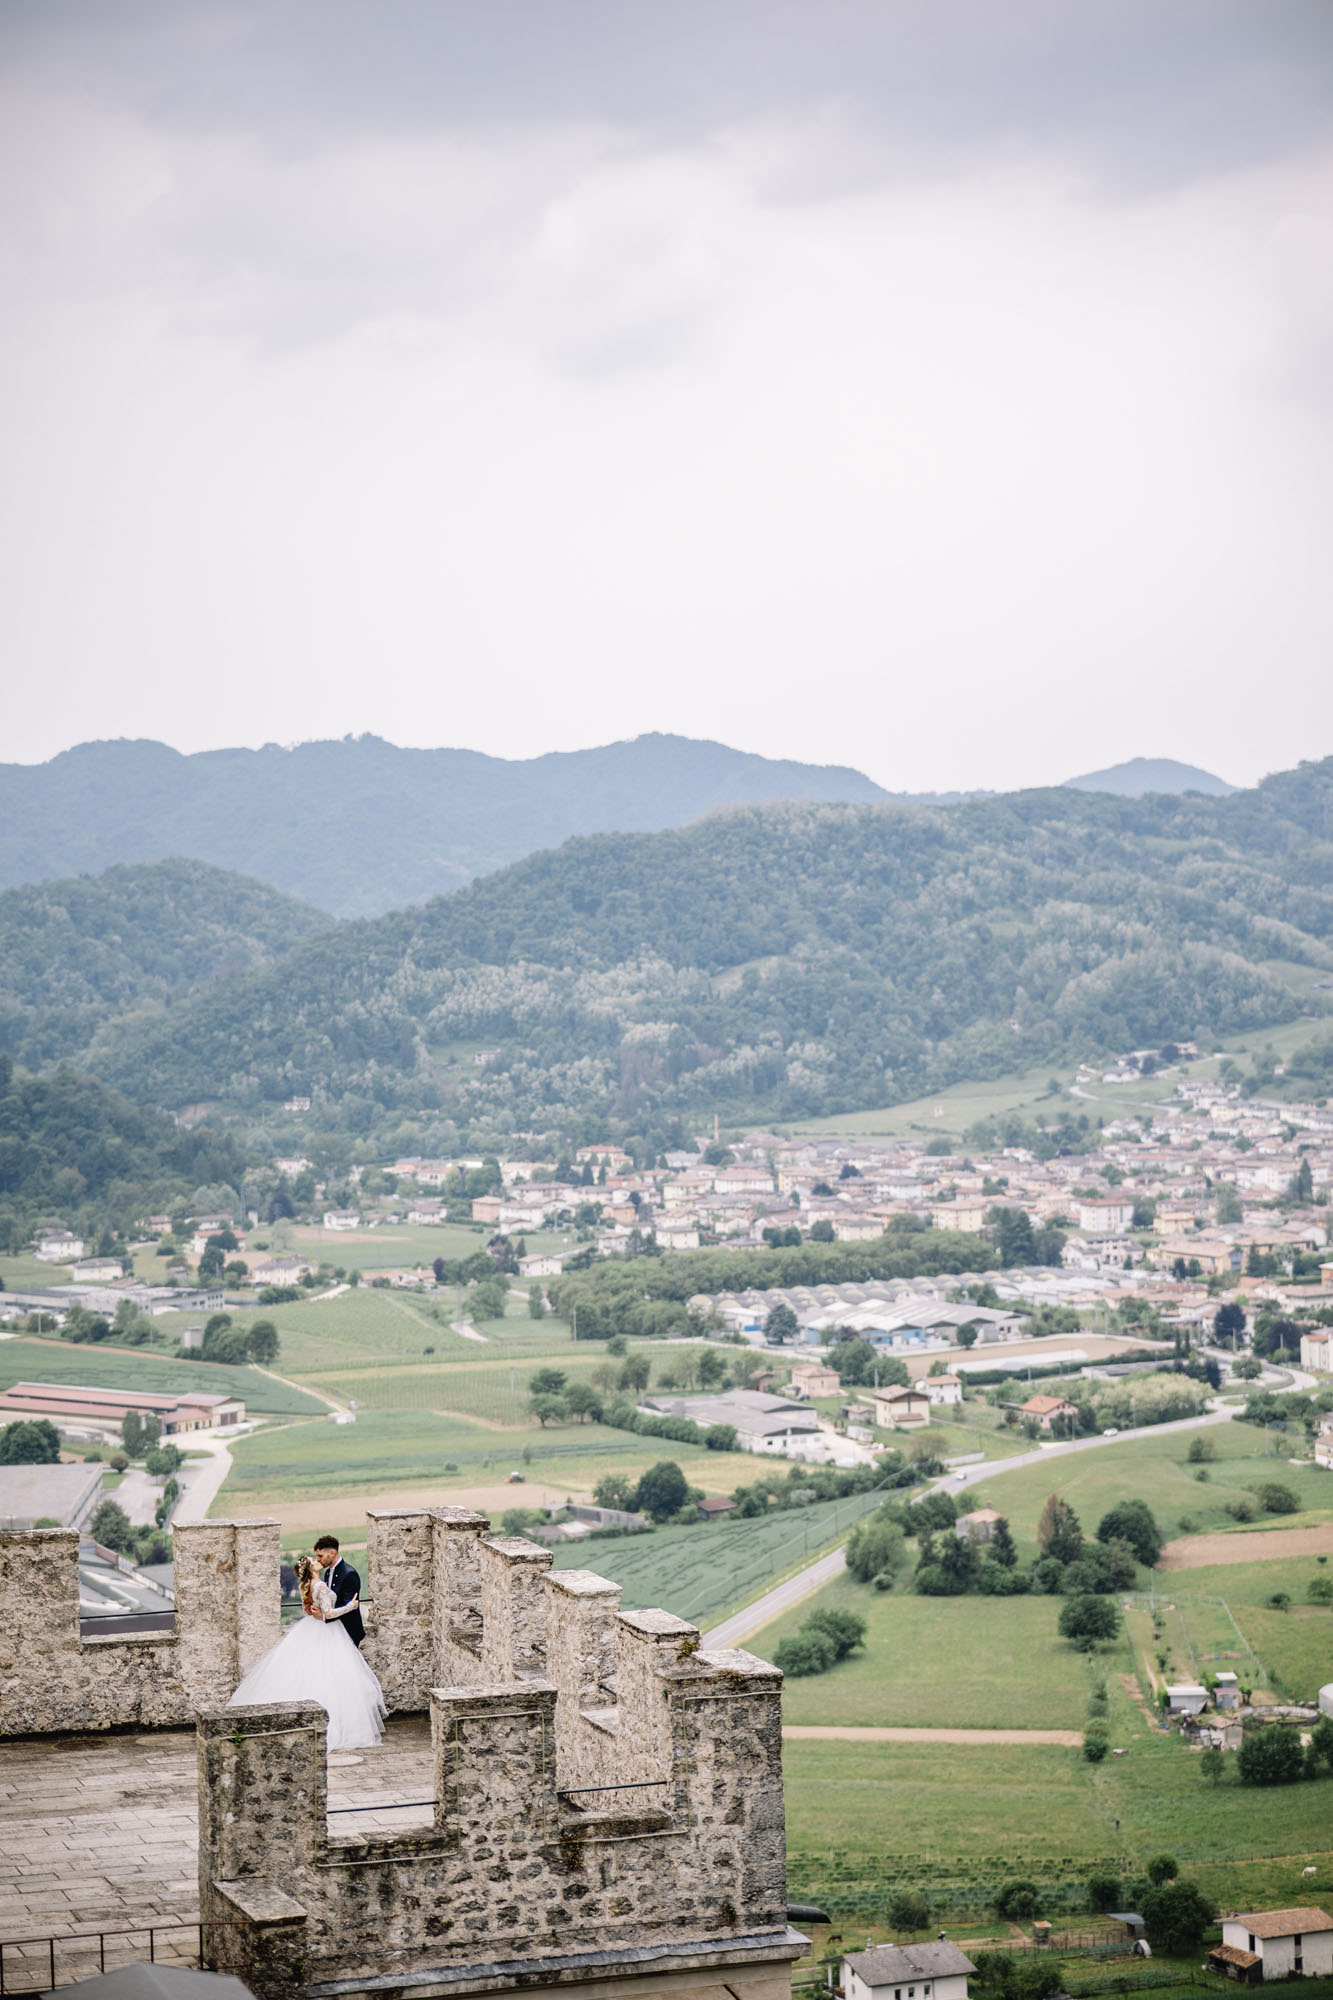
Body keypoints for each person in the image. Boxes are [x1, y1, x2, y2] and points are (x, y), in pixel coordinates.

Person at [227, 1550, 385, 1751]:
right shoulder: (318, 1586)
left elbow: (307, 1610)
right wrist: (351, 1606)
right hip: (328, 1632)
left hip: (312, 1629)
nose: (317, 1561)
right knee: (332, 1677)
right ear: (311, 1569)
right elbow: (328, 1613)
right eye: (313, 1561)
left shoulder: (307, 1586)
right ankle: (336, 1725)